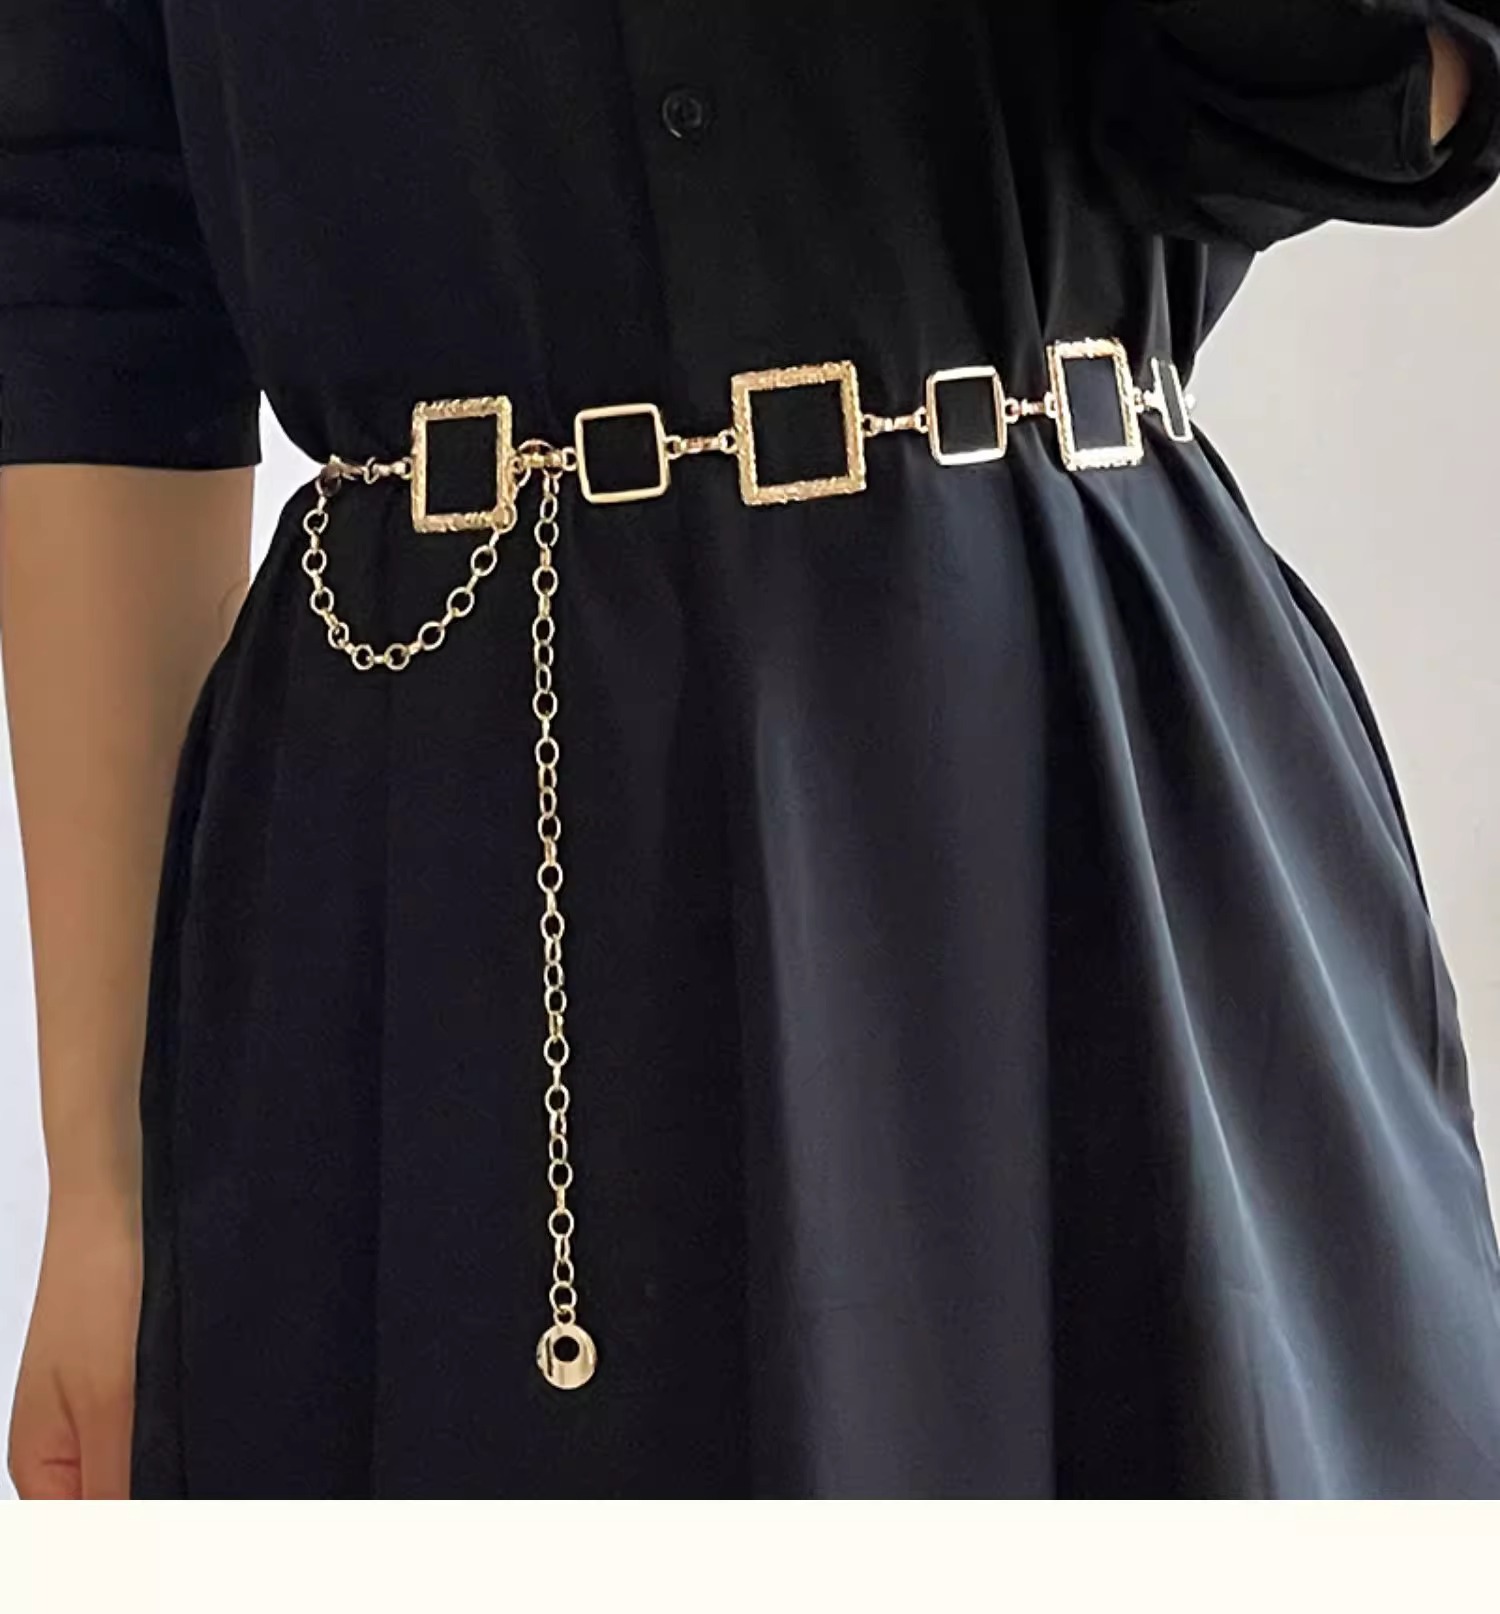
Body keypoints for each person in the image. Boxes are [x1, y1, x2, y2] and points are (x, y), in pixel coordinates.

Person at [4, 0, 1500, 1501]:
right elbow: (92, 283)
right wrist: (106, 1187)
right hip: (433, 886)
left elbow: (1376, 88)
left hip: (1067, 812)